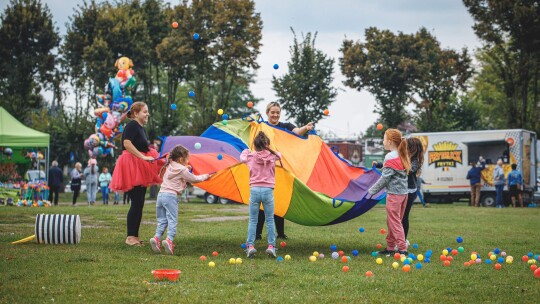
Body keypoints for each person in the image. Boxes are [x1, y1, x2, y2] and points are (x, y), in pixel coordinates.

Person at [255, 101, 313, 241]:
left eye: (277, 112)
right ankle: (257, 234)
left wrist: (305, 127)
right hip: (264, 171)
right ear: (267, 113)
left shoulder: (285, 127)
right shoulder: (261, 127)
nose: (275, 114)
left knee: (279, 201)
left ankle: (280, 233)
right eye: (272, 112)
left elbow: (298, 132)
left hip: (281, 170)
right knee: (262, 204)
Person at [110, 101, 164, 246]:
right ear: (135, 113)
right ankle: (130, 237)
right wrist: (143, 157)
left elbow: (145, 148)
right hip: (132, 165)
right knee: (136, 202)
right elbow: (127, 143)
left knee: (139, 202)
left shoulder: (141, 128)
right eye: (145, 112)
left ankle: (134, 236)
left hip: (139, 165)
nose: (147, 114)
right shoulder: (132, 125)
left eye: (147, 111)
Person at [150, 145, 210, 255]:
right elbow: (194, 179)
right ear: (182, 159)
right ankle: (169, 240)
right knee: (172, 220)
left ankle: (157, 238)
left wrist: (186, 169)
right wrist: (206, 176)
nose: (188, 161)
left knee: (162, 220)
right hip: (170, 196)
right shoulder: (182, 169)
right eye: (187, 159)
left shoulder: (170, 165)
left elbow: (180, 172)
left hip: (161, 195)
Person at [368, 128, 411, 256]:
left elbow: (385, 178)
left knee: (394, 222)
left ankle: (402, 249)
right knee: (393, 221)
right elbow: (392, 172)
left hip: (394, 195)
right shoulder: (401, 154)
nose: (383, 142)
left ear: (390, 141)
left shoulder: (390, 156)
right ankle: (390, 247)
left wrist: (372, 190)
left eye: (384, 139)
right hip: (404, 194)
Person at [241, 131, 282, 258]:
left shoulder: (250, 157)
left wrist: (247, 151)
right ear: (267, 145)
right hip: (268, 191)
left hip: (254, 190)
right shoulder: (272, 156)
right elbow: (280, 155)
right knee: (270, 220)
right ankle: (271, 246)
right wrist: (270, 149)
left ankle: (250, 246)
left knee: (253, 220)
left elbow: (242, 157)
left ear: (254, 146)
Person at [401, 137, 424, 244]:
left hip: (410, 191)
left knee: (404, 216)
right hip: (401, 190)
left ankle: (403, 240)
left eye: (407, 146)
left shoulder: (414, 160)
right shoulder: (404, 157)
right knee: (399, 217)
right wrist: (378, 165)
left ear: (412, 148)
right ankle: (401, 239)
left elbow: (411, 169)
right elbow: (391, 165)